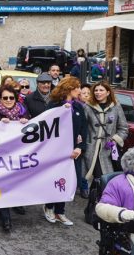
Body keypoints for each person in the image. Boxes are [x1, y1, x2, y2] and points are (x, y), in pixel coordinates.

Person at [42, 77, 88, 226]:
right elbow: (46, 127)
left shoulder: (79, 107)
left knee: (67, 182)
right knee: (55, 180)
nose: (80, 91)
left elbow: (83, 130)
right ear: (69, 89)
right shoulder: (53, 105)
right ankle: (49, 207)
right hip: (56, 152)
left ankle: (60, 212)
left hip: (73, 153)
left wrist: (79, 148)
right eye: (77, 88)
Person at [0, 84, 30, 231]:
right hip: (0, 156)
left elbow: (31, 129)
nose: (9, 100)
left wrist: (25, 121)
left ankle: (2, 209)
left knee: (14, 183)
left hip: (18, 155)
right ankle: (6, 218)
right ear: (0, 98)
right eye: (5, 98)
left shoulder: (23, 111)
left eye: (11, 97)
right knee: (2, 184)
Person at [83, 81, 129, 184]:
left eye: (101, 90)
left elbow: (124, 128)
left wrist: (115, 139)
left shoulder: (116, 107)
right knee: (98, 178)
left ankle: (99, 198)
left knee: (108, 178)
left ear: (108, 92)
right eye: (96, 90)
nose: (98, 93)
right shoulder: (87, 107)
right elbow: (82, 128)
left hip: (109, 150)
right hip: (92, 150)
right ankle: (96, 197)